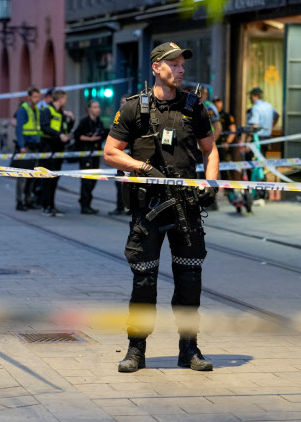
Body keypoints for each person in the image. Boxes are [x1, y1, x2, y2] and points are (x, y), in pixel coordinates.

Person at [104, 41, 219, 373]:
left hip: (187, 209)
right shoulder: (133, 108)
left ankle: (189, 348)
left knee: (190, 279)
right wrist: (142, 168)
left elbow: (210, 150)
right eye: (174, 64)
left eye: (183, 64)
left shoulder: (195, 107)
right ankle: (136, 349)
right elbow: (111, 152)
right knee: (144, 281)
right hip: (149, 207)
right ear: (156, 67)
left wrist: (210, 183)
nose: (181, 69)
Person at [40, 90, 73, 216]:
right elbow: (44, 127)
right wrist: (59, 135)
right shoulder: (47, 110)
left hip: (58, 148)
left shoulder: (61, 113)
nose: (65, 101)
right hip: (48, 147)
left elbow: (65, 129)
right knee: (48, 178)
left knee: (54, 177)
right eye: (64, 98)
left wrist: (72, 120)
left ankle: (51, 204)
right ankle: (46, 205)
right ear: (60, 98)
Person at [74, 100, 106, 214]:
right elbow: (77, 135)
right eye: (94, 107)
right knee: (87, 180)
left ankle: (87, 202)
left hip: (95, 154)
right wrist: (90, 139)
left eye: (98, 107)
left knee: (94, 179)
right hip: (86, 154)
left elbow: (102, 135)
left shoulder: (99, 122)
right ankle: (85, 204)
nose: (97, 109)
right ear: (89, 109)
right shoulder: (85, 122)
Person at [12, 86, 41, 211]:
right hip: (26, 147)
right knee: (23, 176)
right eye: (35, 97)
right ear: (29, 97)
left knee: (32, 175)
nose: (37, 99)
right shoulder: (23, 110)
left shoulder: (36, 110)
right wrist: (21, 146)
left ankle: (28, 199)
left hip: (35, 146)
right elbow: (19, 129)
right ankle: (19, 201)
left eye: (38, 97)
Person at [108, 95, 130, 216]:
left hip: (131, 157)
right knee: (119, 182)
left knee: (131, 183)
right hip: (119, 157)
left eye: (125, 103)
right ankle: (120, 206)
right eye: (121, 103)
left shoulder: (133, 119)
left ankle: (130, 207)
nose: (123, 105)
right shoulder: (117, 118)